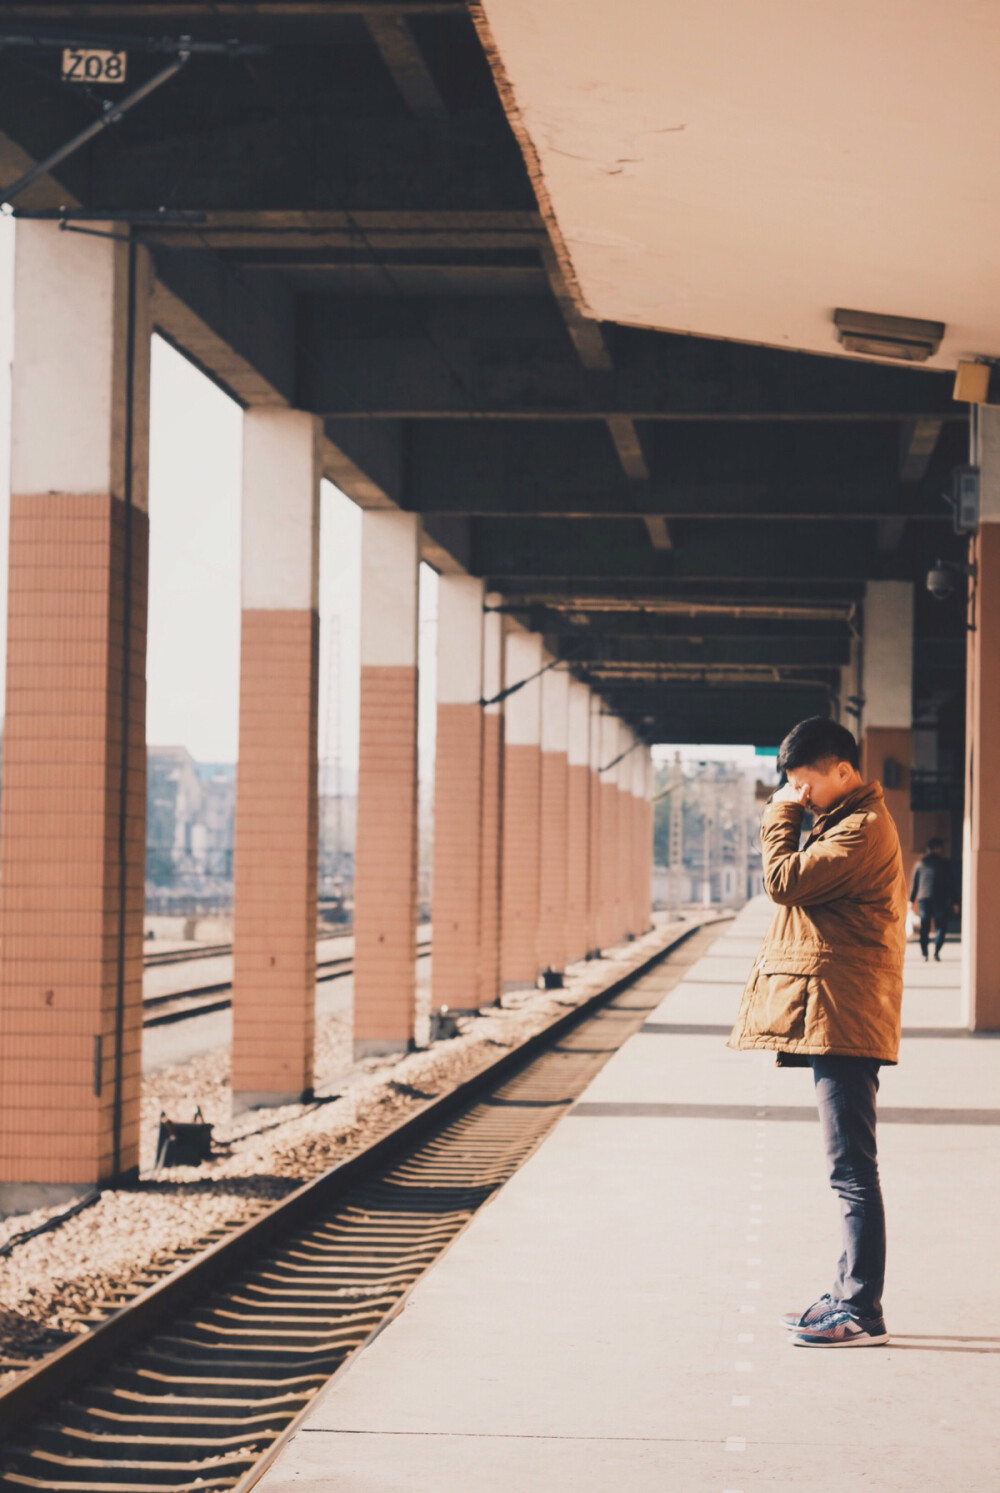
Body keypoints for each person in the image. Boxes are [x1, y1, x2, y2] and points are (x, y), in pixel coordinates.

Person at [728, 717, 907, 1348]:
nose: (798, 795)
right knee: (848, 1165)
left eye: (805, 784)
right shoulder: (842, 820)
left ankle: (862, 1310)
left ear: (842, 771)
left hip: (848, 1016)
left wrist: (779, 816)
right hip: (842, 1010)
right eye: (792, 788)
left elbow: (785, 883)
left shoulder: (861, 829)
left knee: (852, 1168)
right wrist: (799, 812)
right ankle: (848, 1294)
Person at [909, 838, 955, 962]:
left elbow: (915, 883)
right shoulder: (944, 863)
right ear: (937, 848)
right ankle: (936, 951)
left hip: (924, 898)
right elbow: (951, 883)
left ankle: (925, 953)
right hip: (940, 898)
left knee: (925, 926)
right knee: (941, 925)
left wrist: (911, 899)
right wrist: (954, 900)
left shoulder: (920, 863)